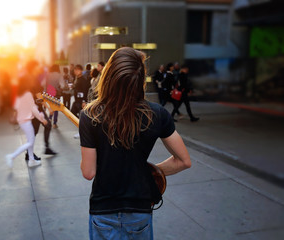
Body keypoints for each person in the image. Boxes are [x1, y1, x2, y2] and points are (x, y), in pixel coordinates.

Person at [79, 47, 191, 240]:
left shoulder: (90, 115)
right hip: (140, 209)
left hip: (103, 209)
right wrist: (149, 170)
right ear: (140, 79)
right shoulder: (158, 114)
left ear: (109, 76)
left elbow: (88, 172)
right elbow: (184, 161)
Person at [5, 75, 48, 168]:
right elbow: (33, 108)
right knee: (30, 142)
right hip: (26, 121)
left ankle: (31, 160)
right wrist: (42, 119)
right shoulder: (28, 94)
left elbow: (16, 107)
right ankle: (12, 156)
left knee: (30, 140)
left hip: (21, 120)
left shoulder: (18, 95)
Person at [46, 64, 64, 129]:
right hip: (56, 93)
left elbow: (44, 83)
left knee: (51, 106)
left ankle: (50, 118)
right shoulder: (59, 75)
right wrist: (61, 88)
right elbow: (62, 85)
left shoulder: (48, 75)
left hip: (49, 92)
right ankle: (54, 123)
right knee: (56, 108)